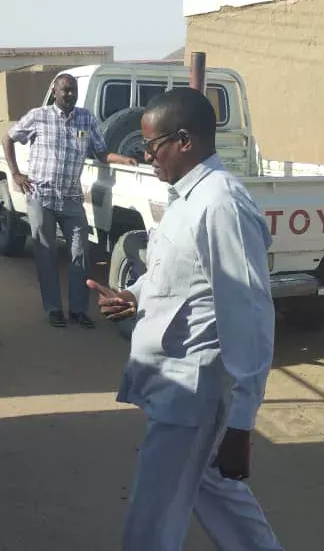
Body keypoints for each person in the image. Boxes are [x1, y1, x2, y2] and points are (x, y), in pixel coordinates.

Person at [87, 87, 283, 551]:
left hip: (192, 391)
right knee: (214, 491)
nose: (145, 155)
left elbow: (249, 314)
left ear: (184, 141)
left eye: (152, 146)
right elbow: (177, 276)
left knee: (152, 516)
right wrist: (133, 297)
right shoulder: (184, 197)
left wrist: (241, 423)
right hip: (174, 380)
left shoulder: (221, 205)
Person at [2, 73, 137, 328]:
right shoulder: (38, 116)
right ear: (54, 92)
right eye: (65, 90)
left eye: (73, 90)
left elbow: (101, 152)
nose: (69, 94)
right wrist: (16, 173)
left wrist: (125, 160)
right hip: (41, 196)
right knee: (46, 254)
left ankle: (78, 310)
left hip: (72, 199)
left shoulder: (86, 118)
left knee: (80, 255)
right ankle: (53, 309)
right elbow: (8, 138)